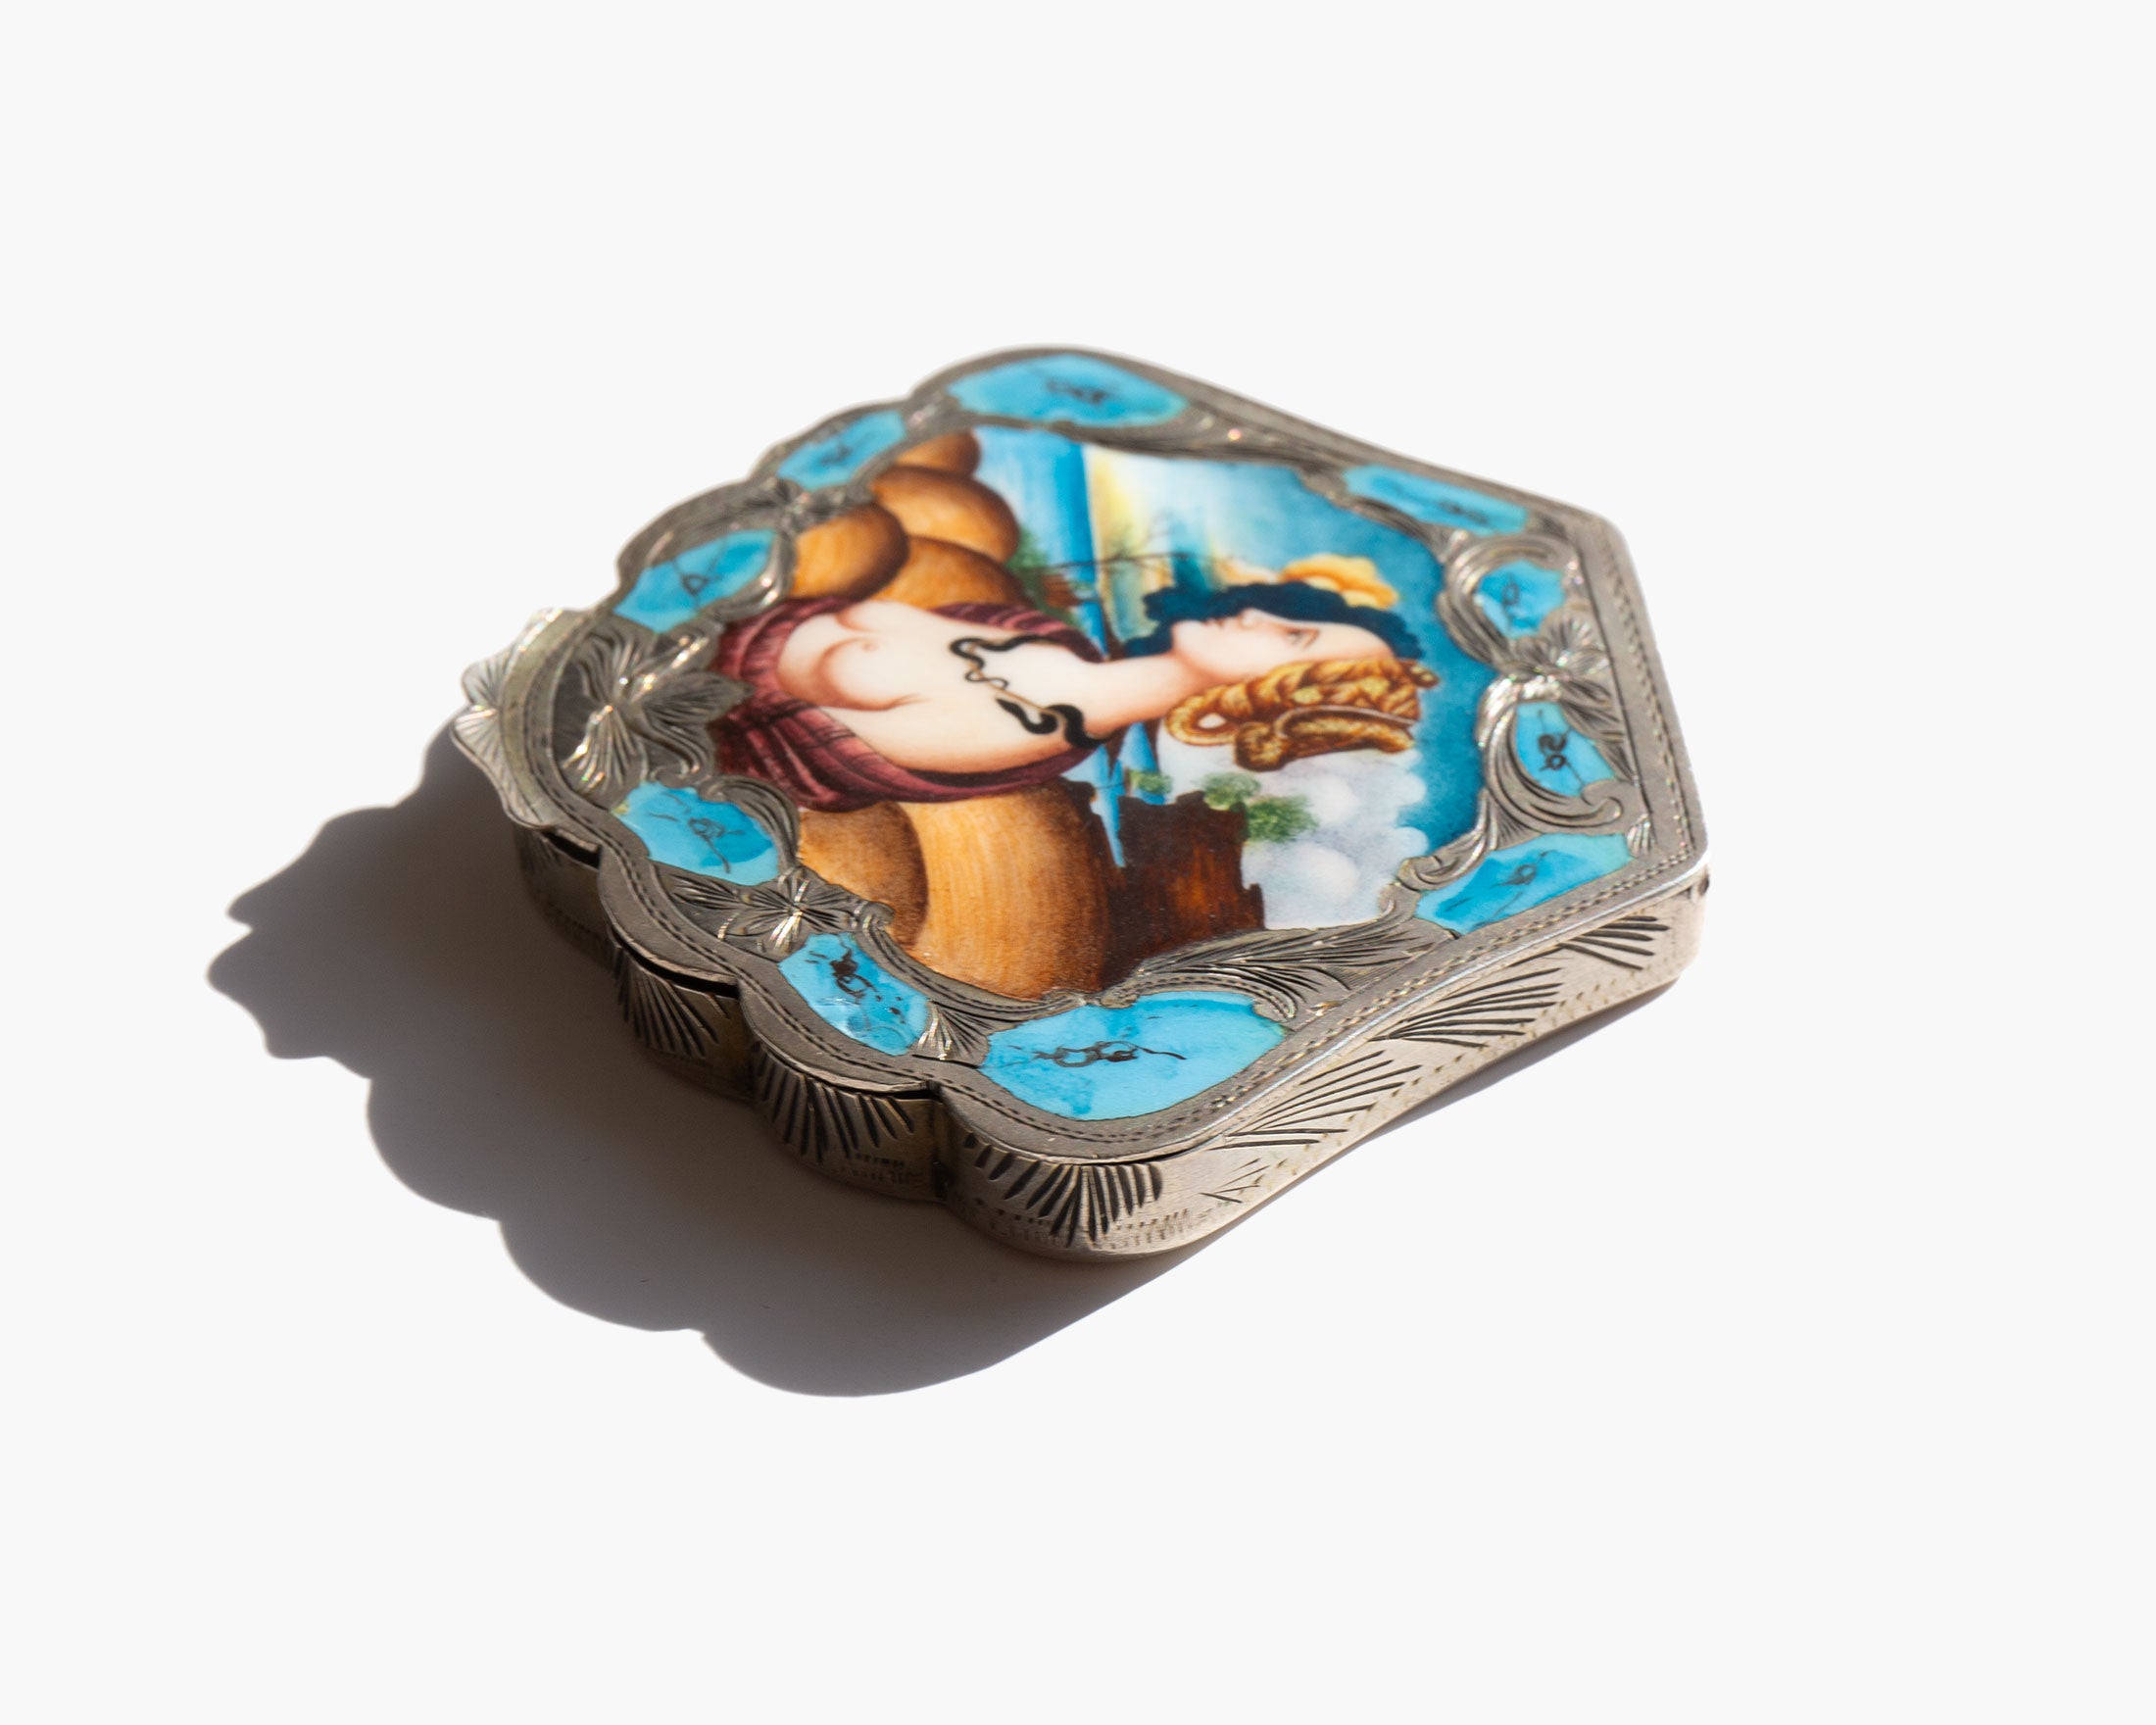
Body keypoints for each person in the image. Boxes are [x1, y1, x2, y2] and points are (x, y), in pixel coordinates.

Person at [711, 581, 1439, 813]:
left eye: (1291, 636)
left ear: (1273, 694)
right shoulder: (1047, 640)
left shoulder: (1023, 733)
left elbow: (756, 738)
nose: (1255, 613)